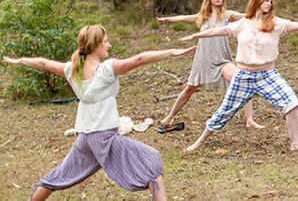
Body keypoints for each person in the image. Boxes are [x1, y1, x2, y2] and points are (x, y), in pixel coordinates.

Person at [3, 24, 197, 200]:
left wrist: (20, 60)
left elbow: (44, 64)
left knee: (61, 175)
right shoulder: (106, 70)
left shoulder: (72, 69)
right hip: (104, 136)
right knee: (151, 160)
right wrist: (171, 52)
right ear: (95, 45)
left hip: (85, 137)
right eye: (105, 42)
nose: (109, 45)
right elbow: (139, 59)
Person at [180, 0, 298, 152]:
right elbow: (219, 30)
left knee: (292, 103)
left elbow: (297, 25)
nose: (269, 3)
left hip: (267, 74)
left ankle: (295, 143)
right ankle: (199, 142)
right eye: (266, 0)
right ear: (257, 1)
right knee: (223, 112)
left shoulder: (275, 23)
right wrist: (196, 36)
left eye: (270, 1)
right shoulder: (243, 23)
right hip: (243, 75)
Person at [157, 0, 263, 130]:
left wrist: (262, 13)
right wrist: (168, 19)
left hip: (222, 59)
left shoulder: (228, 15)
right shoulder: (203, 16)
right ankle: (170, 116)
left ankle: (250, 120)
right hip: (203, 59)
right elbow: (185, 18)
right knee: (189, 89)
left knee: (242, 81)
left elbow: (247, 17)